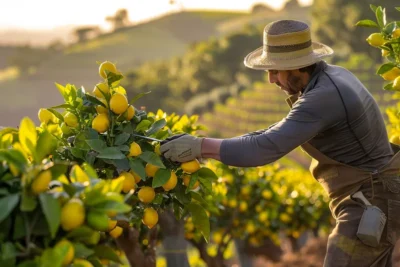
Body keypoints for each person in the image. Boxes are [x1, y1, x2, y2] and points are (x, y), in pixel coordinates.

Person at [160, 20, 400, 266]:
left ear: (296, 67)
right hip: (372, 194)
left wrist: (200, 146)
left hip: (371, 198)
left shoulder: (323, 96)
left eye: (274, 71)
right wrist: (202, 145)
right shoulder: (331, 78)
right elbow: (269, 133)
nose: (271, 80)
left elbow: (264, 148)